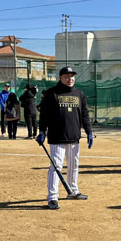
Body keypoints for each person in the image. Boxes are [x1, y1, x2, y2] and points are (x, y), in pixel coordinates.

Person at [36, 66, 93, 210]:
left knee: (74, 166)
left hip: (74, 137)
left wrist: (89, 131)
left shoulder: (80, 94)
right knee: (56, 167)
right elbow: (44, 115)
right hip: (57, 137)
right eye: (66, 76)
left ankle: (73, 191)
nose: (70, 79)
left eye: (72, 76)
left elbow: (85, 115)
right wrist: (42, 131)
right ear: (60, 78)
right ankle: (52, 197)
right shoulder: (51, 93)